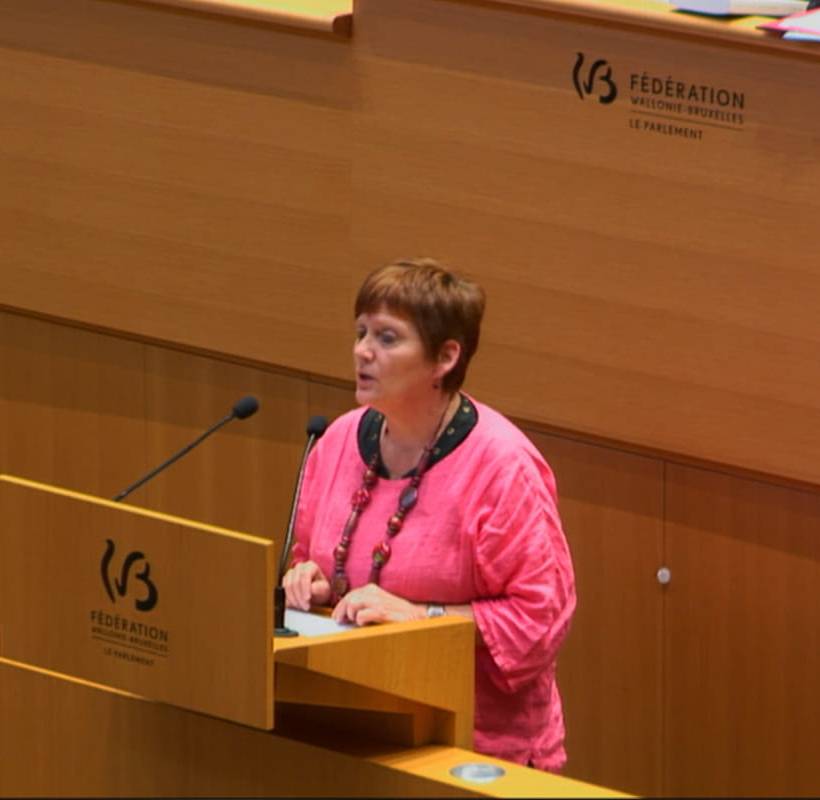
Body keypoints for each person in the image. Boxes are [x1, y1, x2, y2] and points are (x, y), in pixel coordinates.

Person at [283, 257, 576, 772]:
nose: (362, 351)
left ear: (445, 357)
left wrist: (425, 620)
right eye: (360, 332)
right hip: (357, 728)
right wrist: (310, 581)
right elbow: (312, 555)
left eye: (387, 338)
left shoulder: (502, 467)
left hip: (475, 751)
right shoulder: (337, 442)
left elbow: (539, 620)